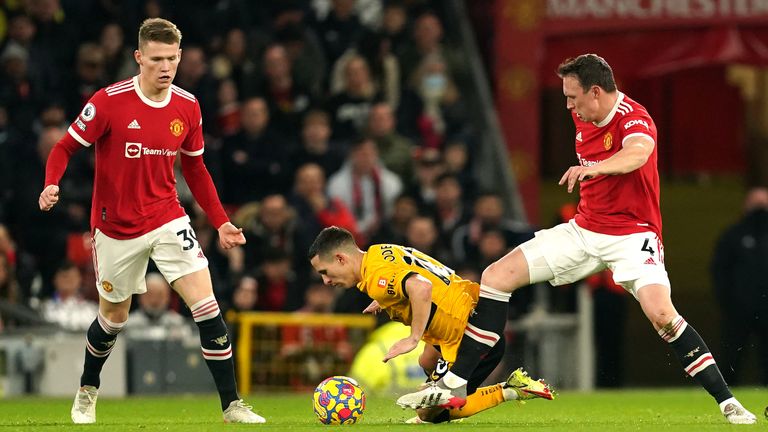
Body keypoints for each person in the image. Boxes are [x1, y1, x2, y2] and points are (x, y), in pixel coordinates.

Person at [399, 54, 756, 424]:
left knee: (663, 316)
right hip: (584, 231)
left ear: (596, 92)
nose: (568, 106)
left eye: (573, 97)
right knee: (494, 277)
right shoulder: (581, 112)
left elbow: (638, 153)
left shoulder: (635, 117)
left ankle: (728, 403)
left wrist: (596, 168)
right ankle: (456, 383)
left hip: (633, 236)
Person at [38, 18, 264, 424]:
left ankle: (232, 405)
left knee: (206, 304)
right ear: (139, 57)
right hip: (116, 227)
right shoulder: (109, 101)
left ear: (179, 57)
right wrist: (51, 184)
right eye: (156, 59)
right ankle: (88, 389)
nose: (165, 67)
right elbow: (64, 146)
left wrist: (221, 222)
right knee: (113, 319)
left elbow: (195, 170)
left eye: (172, 59)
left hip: (166, 216)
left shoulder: (188, 105)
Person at [308, 226, 553, 424]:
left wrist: (412, 338)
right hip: (467, 312)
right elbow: (413, 273)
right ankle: (443, 395)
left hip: (468, 336)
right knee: (426, 361)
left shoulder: (376, 278)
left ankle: (512, 389)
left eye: (325, 271)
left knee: (429, 414)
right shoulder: (378, 253)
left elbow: (420, 287)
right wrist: (384, 300)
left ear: (340, 258)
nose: (326, 280)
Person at [711, 187, 768, 385]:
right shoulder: (733, 236)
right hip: (739, 310)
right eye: (756, 204)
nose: (760, 210)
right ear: (745, 206)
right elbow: (719, 271)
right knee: (732, 355)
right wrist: (727, 301)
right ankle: (727, 394)